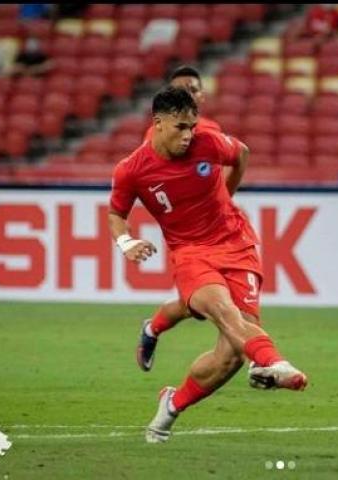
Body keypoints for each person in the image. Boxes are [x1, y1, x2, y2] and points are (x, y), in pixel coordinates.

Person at [109, 87, 308, 443]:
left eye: (192, 127)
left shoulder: (208, 142)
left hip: (236, 243)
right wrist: (126, 242)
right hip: (189, 252)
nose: (188, 135)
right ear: (157, 123)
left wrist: (225, 196)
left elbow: (241, 153)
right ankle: (273, 361)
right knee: (222, 310)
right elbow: (116, 214)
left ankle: (173, 403)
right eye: (180, 127)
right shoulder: (132, 170)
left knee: (231, 355)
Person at [136, 65, 223, 373]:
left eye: (192, 89)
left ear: (202, 96)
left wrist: (224, 197)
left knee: (202, 305)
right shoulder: (158, 135)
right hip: (187, 235)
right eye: (180, 90)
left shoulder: (210, 132)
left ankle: (152, 328)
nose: (188, 94)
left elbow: (234, 159)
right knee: (201, 305)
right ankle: (255, 356)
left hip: (220, 230)